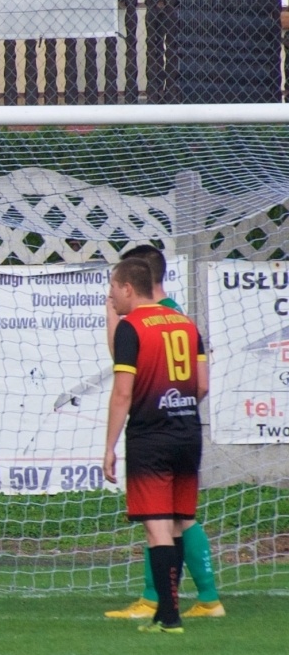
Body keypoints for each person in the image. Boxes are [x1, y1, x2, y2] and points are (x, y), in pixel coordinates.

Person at [103, 244, 224, 620]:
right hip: (186, 430)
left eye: (114, 287)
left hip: (153, 434)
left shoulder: (136, 323)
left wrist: (154, 407)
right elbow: (201, 385)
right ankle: (200, 598)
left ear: (130, 284)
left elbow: (123, 381)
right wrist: (178, 406)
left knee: (163, 521)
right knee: (178, 517)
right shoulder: (185, 320)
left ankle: (163, 601)